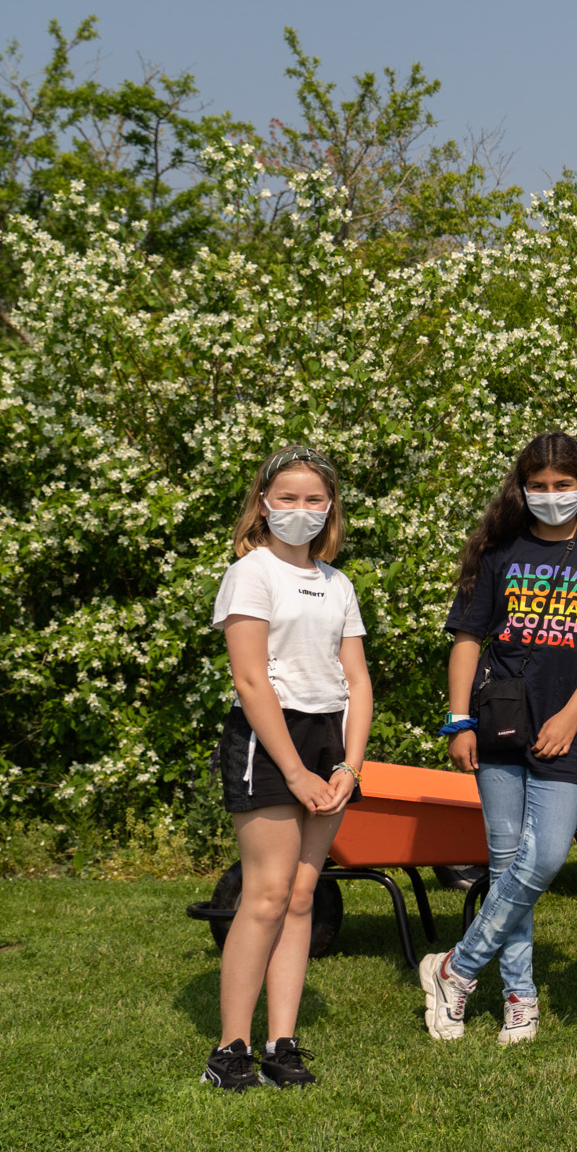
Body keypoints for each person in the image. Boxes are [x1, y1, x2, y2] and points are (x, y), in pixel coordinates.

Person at [418, 434, 577, 1047]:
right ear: (521, 489)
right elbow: (467, 637)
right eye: (537, 486)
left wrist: (570, 716)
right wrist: (458, 721)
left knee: (542, 858)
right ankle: (519, 996)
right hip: (499, 722)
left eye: (561, 485)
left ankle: (455, 967)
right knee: (506, 858)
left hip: (571, 724)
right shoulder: (499, 548)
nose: (550, 495)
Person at [202, 447, 374, 1090]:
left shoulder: (338, 583)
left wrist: (350, 765)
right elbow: (250, 680)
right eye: (287, 498)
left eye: (313, 499)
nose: (300, 510)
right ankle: (230, 1051)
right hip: (269, 737)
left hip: (329, 738)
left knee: (302, 896)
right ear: (264, 504)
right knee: (268, 894)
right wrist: (296, 772)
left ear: (329, 509)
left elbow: (357, 680)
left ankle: (281, 1045)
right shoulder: (250, 573)